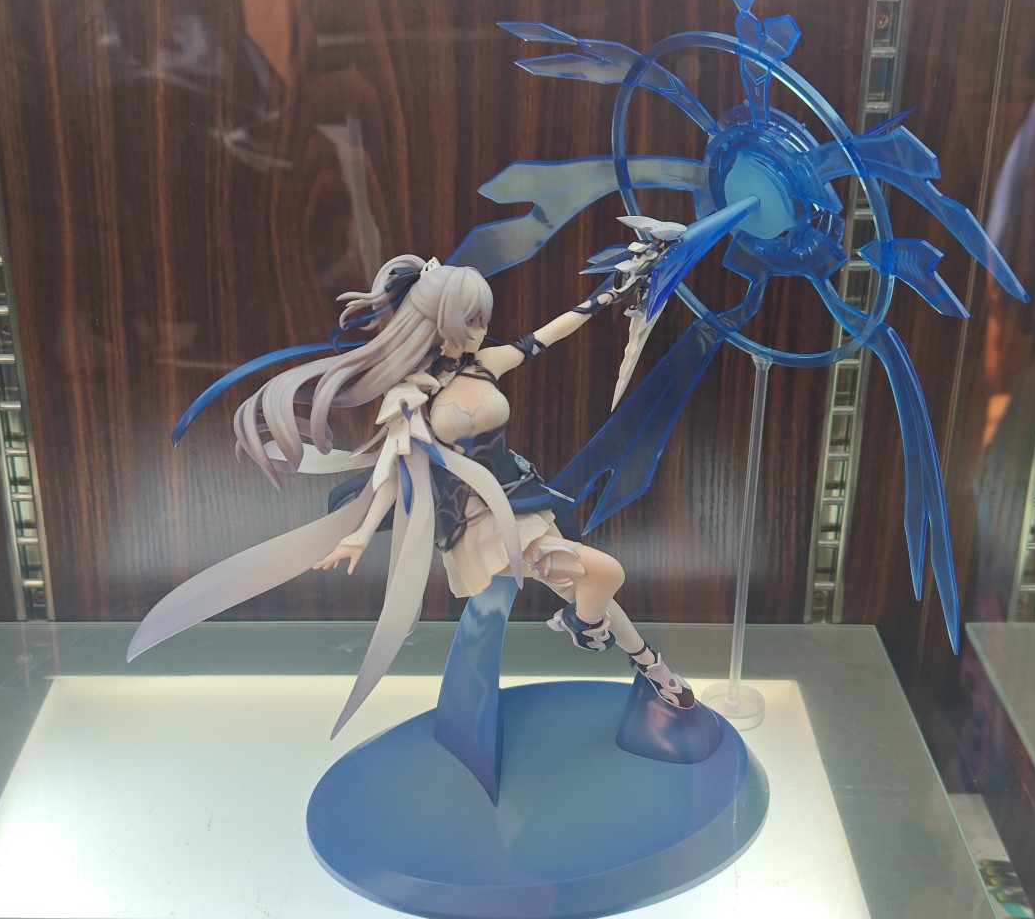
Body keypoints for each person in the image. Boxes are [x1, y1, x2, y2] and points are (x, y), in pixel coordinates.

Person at [130, 255, 695, 732]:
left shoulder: (485, 365)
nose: (478, 330)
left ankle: (645, 663)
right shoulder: (410, 396)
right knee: (605, 573)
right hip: (478, 523)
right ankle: (586, 627)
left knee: (589, 584)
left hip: (521, 497)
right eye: (468, 319)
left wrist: (613, 290)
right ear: (436, 323)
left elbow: (549, 333)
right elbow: (393, 470)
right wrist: (357, 535)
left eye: (482, 319)